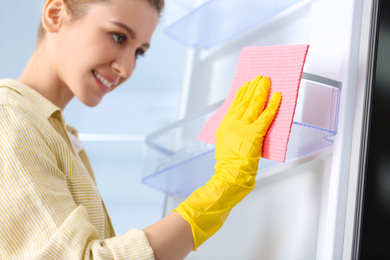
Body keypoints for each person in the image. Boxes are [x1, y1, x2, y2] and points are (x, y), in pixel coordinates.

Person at [0, 0, 281, 259]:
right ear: (55, 15)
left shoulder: (55, 133)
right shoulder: (9, 117)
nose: (126, 67)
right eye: (119, 37)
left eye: (139, 53)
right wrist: (224, 185)